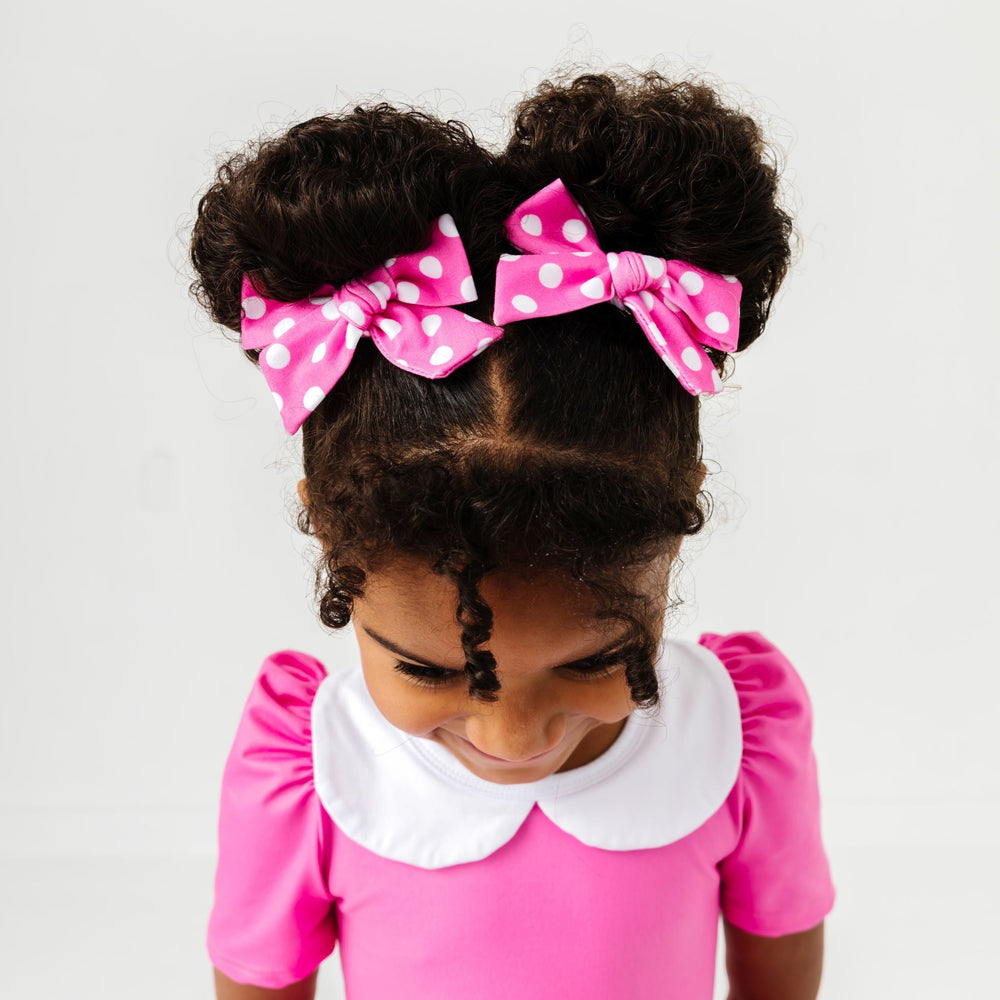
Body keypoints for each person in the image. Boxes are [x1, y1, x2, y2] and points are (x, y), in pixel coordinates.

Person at [189, 67, 836, 1000]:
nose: (513, 734)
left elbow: (779, 970)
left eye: (591, 662)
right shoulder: (314, 773)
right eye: (428, 669)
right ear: (330, 538)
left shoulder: (736, 739)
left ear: (679, 521)